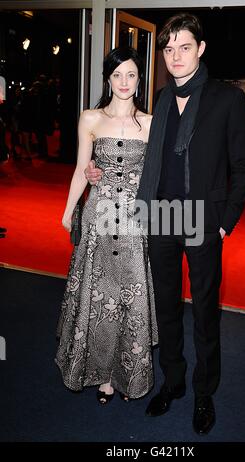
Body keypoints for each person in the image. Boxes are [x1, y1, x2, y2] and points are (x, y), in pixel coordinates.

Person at [85, 13, 245, 434]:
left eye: (184, 47)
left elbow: (244, 166)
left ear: (200, 49)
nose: (175, 55)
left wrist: (224, 222)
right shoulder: (160, 99)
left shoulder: (225, 98)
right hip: (158, 215)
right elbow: (136, 154)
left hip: (202, 220)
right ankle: (173, 383)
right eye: (168, 48)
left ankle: (203, 392)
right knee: (165, 310)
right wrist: (97, 171)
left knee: (203, 313)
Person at [55, 47, 158, 404]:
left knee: (128, 298)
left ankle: (126, 373)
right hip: (99, 218)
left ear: (139, 78)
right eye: (117, 75)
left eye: (131, 74)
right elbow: (82, 170)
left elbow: (156, 177)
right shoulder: (90, 118)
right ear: (108, 78)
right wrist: (70, 211)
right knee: (99, 298)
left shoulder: (150, 123)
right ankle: (102, 377)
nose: (124, 82)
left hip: (132, 223)